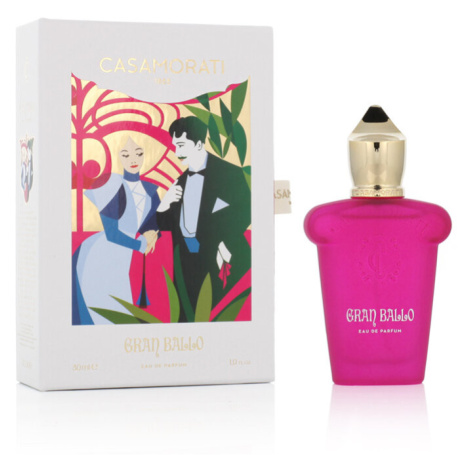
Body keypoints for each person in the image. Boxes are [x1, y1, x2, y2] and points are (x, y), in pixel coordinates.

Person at [157, 116, 251, 322]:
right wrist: (163, 205)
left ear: (199, 144)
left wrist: (221, 237)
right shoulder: (179, 182)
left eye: (182, 145)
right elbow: (165, 226)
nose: (177, 152)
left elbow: (247, 209)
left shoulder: (231, 174)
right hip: (185, 264)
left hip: (220, 259)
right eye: (175, 146)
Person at [72, 136, 160, 325]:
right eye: (125, 155)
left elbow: (156, 221)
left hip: (126, 256)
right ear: (118, 156)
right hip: (101, 253)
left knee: (120, 307)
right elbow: (112, 234)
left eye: (139, 153)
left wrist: (153, 234)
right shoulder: (110, 185)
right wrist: (140, 245)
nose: (133, 159)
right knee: (104, 306)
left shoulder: (150, 190)